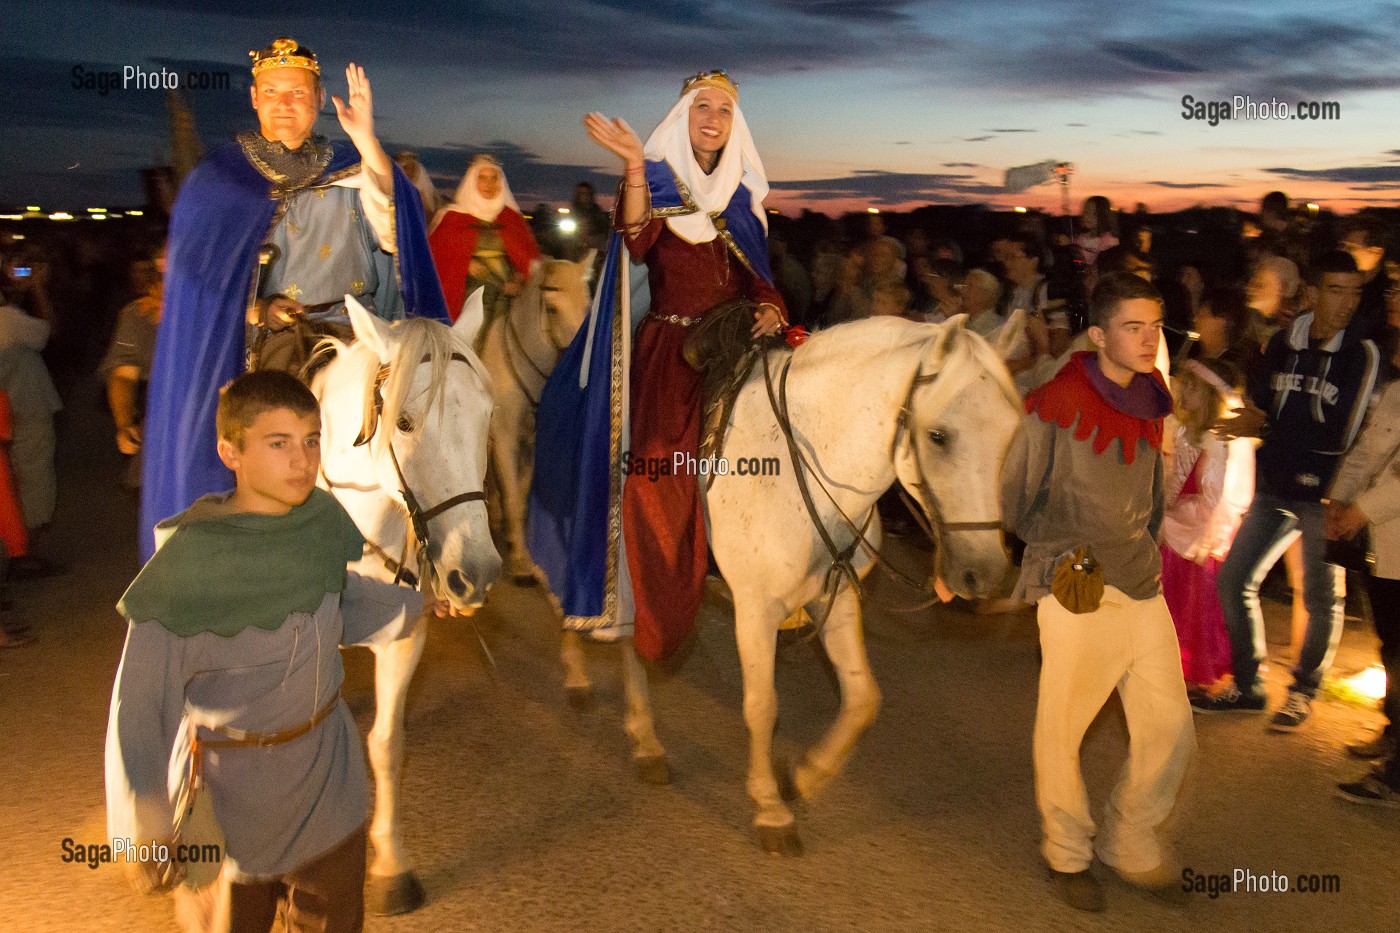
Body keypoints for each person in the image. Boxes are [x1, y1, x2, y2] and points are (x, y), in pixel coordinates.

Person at [105, 371, 455, 933]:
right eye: (278, 443)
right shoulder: (190, 567)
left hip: (327, 783)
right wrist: (142, 816)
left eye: (311, 440)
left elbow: (339, 601)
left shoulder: (318, 524)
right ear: (231, 452)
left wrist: (418, 604)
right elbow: (140, 700)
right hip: (232, 795)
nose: (302, 460)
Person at [140, 36, 448, 562]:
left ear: (319, 98)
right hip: (273, 337)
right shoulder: (220, 182)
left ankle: (435, 550)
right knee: (274, 427)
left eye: (298, 93)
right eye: (272, 92)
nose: (285, 104)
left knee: (429, 415)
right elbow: (198, 284)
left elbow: (398, 225)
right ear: (254, 98)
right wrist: (257, 310)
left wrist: (367, 139)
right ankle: (267, 549)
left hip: (360, 328)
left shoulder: (353, 165)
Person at [528, 70, 788, 662]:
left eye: (724, 109)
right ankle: (656, 594)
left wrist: (772, 307)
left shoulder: (742, 196)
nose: (713, 118)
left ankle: (780, 563)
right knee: (658, 472)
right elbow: (637, 239)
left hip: (737, 340)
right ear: (683, 116)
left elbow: (759, 276)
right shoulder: (659, 181)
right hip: (673, 353)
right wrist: (634, 165)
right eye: (703, 106)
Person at [1001, 272, 1193, 912]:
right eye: (1133, 327)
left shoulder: (1154, 396)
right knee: (1065, 723)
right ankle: (1067, 851)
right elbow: (1016, 493)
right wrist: (1056, 552)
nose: (1148, 339)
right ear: (1099, 335)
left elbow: (1154, 492)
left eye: (1154, 326)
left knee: (1170, 724)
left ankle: (1128, 840)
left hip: (1140, 578)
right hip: (1075, 574)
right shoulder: (1055, 401)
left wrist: (1145, 547)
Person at [1196, 252, 1379, 728]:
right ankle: (1247, 684)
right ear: (1312, 293)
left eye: (1355, 292)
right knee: (1234, 579)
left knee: (1320, 594)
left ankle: (1303, 691)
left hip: (1327, 491)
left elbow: (1343, 433)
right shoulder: (1283, 342)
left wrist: (1268, 425)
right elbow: (1260, 404)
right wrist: (1251, 420)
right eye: (1335, 290)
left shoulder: (1362, 352)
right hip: (1275, 484)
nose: (1346, 302)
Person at [1332, 275, 1400, 803]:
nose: (1392, 300)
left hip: (1388, 527)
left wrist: (1360, 508)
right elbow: (1368, 449)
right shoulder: (1396, 388)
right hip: (1386, 541)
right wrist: (1339, 499)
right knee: (1392, 645)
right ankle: (1395, 732)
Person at [1161, 359, 1254, 693]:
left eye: (1191, 388)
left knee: (1199, 603)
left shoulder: (1226, 439)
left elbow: (1225, 496)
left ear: (1209, 394)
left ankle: (1198, 666)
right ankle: (1170, 661)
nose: (1182, 394)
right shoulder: (1185, 433)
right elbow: (1174, 481)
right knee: (1174, 598)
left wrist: (1199, 525)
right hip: (1180, 524)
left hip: (1207, 530)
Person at [428, 154, 542, 334]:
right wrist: (465, 264)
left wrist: (518, 279)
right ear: (472, 182)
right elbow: (435, 257)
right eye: (482, 178)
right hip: (469, 290)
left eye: (494, 178)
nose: (489, 184)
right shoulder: (452, 218)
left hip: (509, 290)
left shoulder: (511, 218)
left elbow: (528, 259)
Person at [101, 244, 165, 489]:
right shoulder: (137, 314)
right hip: (160, 429)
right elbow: (123, 375)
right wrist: (125, 423)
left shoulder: (216, 310)